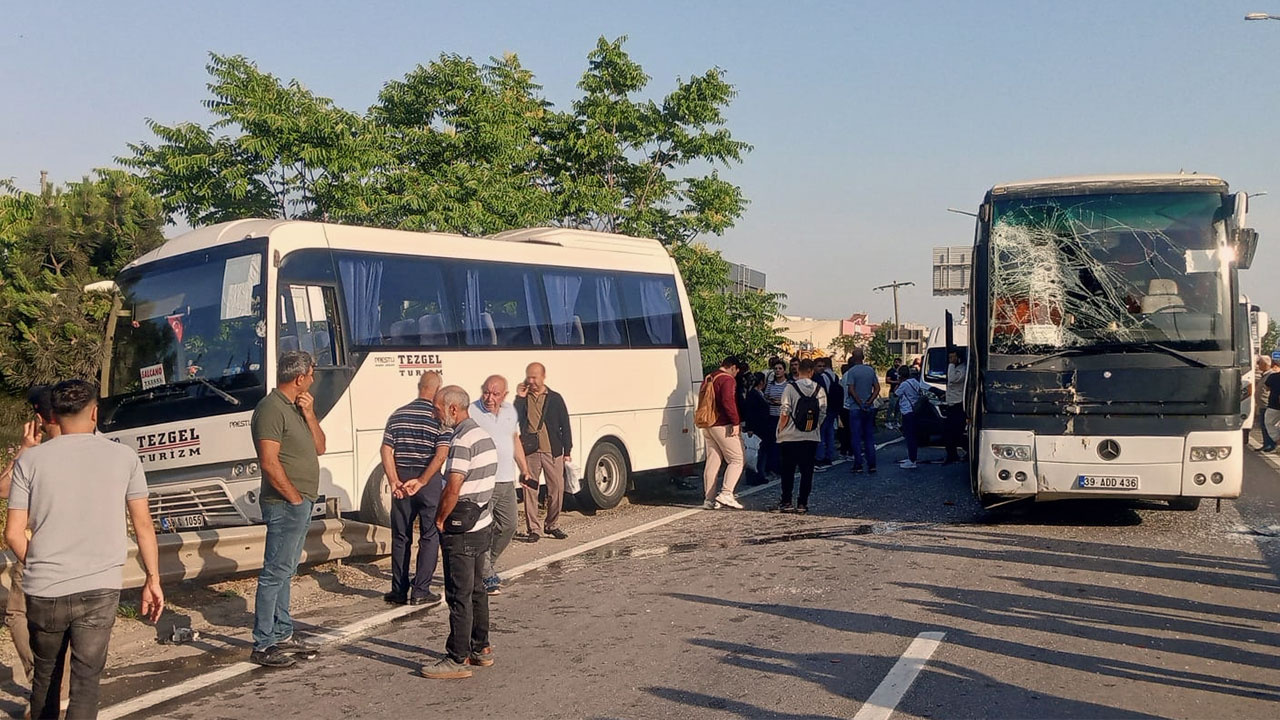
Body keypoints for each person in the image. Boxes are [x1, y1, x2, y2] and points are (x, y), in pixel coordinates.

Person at [5, 379, 164, 718]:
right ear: (94, 413)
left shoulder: (30, 463)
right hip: (98, 587)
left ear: (54, 416)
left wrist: (39, 565)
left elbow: (13, 533)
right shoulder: (123, 457)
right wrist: (152, 578)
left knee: (45, 679)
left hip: (44, 590)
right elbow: (143, 525)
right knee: (86, 682)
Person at [249, 350, 326, 668]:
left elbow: (320, 447)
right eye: (312, 373)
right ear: (299, 378)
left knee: (286, 571)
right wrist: (294, 498)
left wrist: (309, 414)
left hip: (301, 501)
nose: (313, 378)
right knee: (274, 573)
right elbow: (268, 461)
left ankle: (281, 633)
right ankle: (264, 643)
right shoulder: (270, 409)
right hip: (284, 503)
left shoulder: (296, 407)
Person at [1, 386, 71, 711]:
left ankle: (46, 681)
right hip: (66, 547)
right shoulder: (83, 447)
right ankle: (55, 685)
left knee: (19, 614)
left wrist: (25, 451)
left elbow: (3, 491)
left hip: (35, 545)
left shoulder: (37, 456)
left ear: (41, 418)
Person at [421, 385, 497, 680]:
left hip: (461, 529)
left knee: (458, 594)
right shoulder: (483, 435)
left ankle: (457, 657)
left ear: (453, 409)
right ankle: (482, 648)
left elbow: (454, 487)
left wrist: (440, 519)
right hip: (482, 522)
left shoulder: (461, 440)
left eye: (438, 410)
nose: (435, 415)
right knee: (478, 589)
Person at [380, 371, 450, 607]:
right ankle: (421, 590)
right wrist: (423, 479)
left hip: (402, 479)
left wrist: (393, 480)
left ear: (419, 387)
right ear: (438, 389)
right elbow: (441, 456)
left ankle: (398, 590)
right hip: (427, 481)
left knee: (401, 536)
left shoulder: (398, 414)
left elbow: (386, 450)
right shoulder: (439, 418)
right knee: (429, 535)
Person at [471, 375, 533, 595]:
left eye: (495, 394)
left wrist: (524, 469)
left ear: (504, 395)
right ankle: (486, 576)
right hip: (483, 481)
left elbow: (515, 440)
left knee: (508, 526)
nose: (489, 398)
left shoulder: (509, 412)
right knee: (483, 528)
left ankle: (486, 565)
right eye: (486, 392)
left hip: (506, 480)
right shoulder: (472, 412)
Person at [514, 362, 572, 542]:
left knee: (557, 489)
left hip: (552, 450)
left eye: (534, 377)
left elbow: (565, 424)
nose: (531, 381)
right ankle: (534, 529)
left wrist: (567, 449)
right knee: (530, 490)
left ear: (543, 376)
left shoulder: (555, 398)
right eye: (528, 377)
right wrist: (520, 398)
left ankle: (552, 524)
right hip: (531, 451)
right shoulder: (524, 398)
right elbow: (514, 418)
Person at [773, 359, 826, 514]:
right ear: (811, 371)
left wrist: (780, 430)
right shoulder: (819, 389)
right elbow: (822, 412)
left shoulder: (790, 388)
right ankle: (802, 503)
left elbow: (785, 411)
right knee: (807, 471)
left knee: (788, 471)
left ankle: (787, 501)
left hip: (789, 436)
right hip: (811, 437)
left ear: (799, 370)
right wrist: (814, 427)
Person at [701, 356, 745, 510]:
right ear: (733, 367)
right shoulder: (727, 380)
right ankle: (726, 493)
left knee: (713, 460)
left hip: (707, 423)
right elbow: (728, 401)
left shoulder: (709, 377)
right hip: (722, 423)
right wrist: (736, 422)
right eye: (736, 371)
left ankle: (709, 499)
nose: (736, 375)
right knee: (737, 459)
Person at [842, 348, 880, 474]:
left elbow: (851, 389)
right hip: (869, 408)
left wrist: (859, 402)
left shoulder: (852, 371)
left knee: (856, 437)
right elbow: (877, 388)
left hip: (855, 408)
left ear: (853, 358)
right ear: (863, 357)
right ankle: (872, 464)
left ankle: (858, 464)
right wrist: (869, 401)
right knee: (869, 436)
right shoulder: (870, 370)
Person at [895, 367, 928, 469]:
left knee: (910, 437)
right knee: (912, 435)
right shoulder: (914, 381)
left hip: (907, 411)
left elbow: (896, 394)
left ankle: (912, 460)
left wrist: (899, 383)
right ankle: (911, 457)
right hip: (914, 410)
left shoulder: (904, 385)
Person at [742, 372, 772, 481]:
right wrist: (750, 428)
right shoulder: (753, 395)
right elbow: (749, 412)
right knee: (756, 452)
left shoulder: (759, 393)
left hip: (763, 426)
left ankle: (760, 474)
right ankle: (756, 476)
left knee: (760, 451)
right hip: (757, 427)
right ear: (761, 382)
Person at [761, 357, 788, 478]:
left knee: (782, 443)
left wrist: (780, 402)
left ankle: (781, 467)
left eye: (780, 368)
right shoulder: (770, 385)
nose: (777, 371)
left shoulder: (788, 385)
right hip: (771, 416)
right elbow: (765, 396)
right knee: (772, 443)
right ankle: (771, 466)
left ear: (784, 371)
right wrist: (770, 400)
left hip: (783, 417)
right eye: (776, 369)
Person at [813, 358, 841, 467]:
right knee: (830, 433)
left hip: (824, 408)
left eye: (822, 366)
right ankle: (829, 455)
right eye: (819, 366)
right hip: (833, 408)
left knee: (821, 434)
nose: (821, 368)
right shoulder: (834, 376)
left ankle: (820, 457)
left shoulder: (819, 378)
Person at [942, 350, 967, 464]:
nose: (950, 359)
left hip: (958, 405)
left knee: (957, 433)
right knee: (948, 433)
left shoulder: (962, 369)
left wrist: (951, 365)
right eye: (949, 357)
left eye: (953, 357)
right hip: (951, 404)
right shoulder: (955, 368)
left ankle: (968, 450)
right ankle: (952, 455)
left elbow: (952, 379)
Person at [1255, 357, 1275, 452]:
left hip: (1267, 404)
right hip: (1262, 404)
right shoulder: (1264, 375)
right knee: (1263, 425)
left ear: (1265, 364)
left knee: (1267, 425)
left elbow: (1269, 389)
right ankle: (1266, 443)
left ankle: (1270, 444)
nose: (1258, 365)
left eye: (1259, 363)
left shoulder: (1271, 375)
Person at [1265, 365, 1280, 454]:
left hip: (1274, 405)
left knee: (1269, 423)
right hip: (1273, 405)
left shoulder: (1273, 377)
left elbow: (1267, 388)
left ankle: (1278, 441)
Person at [885, 358, 903, 429]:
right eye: (896, 362)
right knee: (891, 406)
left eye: (898, 362)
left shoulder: (901, 371)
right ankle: (887, 421)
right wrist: (896, 382)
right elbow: (887, 380)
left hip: (900, 391)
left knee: (898, 408)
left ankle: (896, 421)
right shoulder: (890, 371)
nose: (897, 364)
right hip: (893, 391)